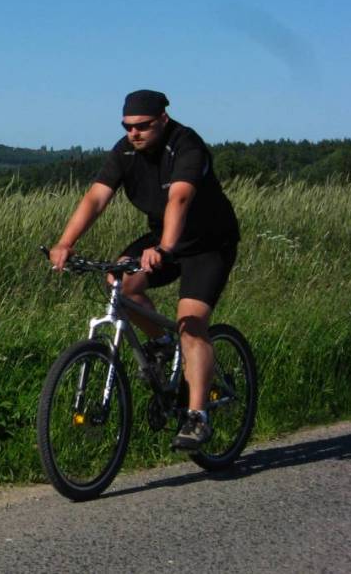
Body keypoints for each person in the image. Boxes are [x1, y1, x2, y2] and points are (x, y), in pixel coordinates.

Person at [48, 89, 239, 450]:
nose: (134, 133)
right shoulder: (124, 151)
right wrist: (65, 242)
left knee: (192, 323)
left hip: (207, 244)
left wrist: (165, 248)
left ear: (163, 119)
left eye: (143, 126)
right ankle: (162, 342)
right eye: (128, 126)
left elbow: (180, 198)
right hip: (162, 239)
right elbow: (96, 197)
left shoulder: (185, 145)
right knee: (119, 280)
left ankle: (198, 416)